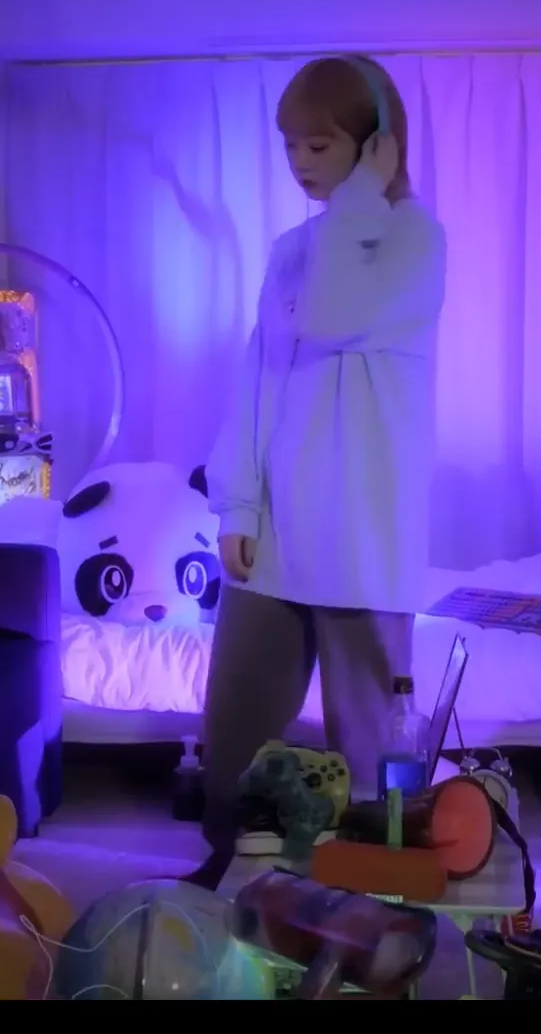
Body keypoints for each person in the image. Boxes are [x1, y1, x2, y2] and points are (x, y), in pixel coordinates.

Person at [186, 55, 447, 890]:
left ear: (376, 145)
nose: (299, 162)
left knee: (371, 751)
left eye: (319, 145)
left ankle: (375, 890)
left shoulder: (415, 239)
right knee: (236, 727)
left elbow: (336, 314)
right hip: (277, 530)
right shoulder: (291, 250)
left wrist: (362, 199)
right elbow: (256, 382)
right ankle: (228, 872)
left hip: (366, 539)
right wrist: (238, 505)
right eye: (290, 145)